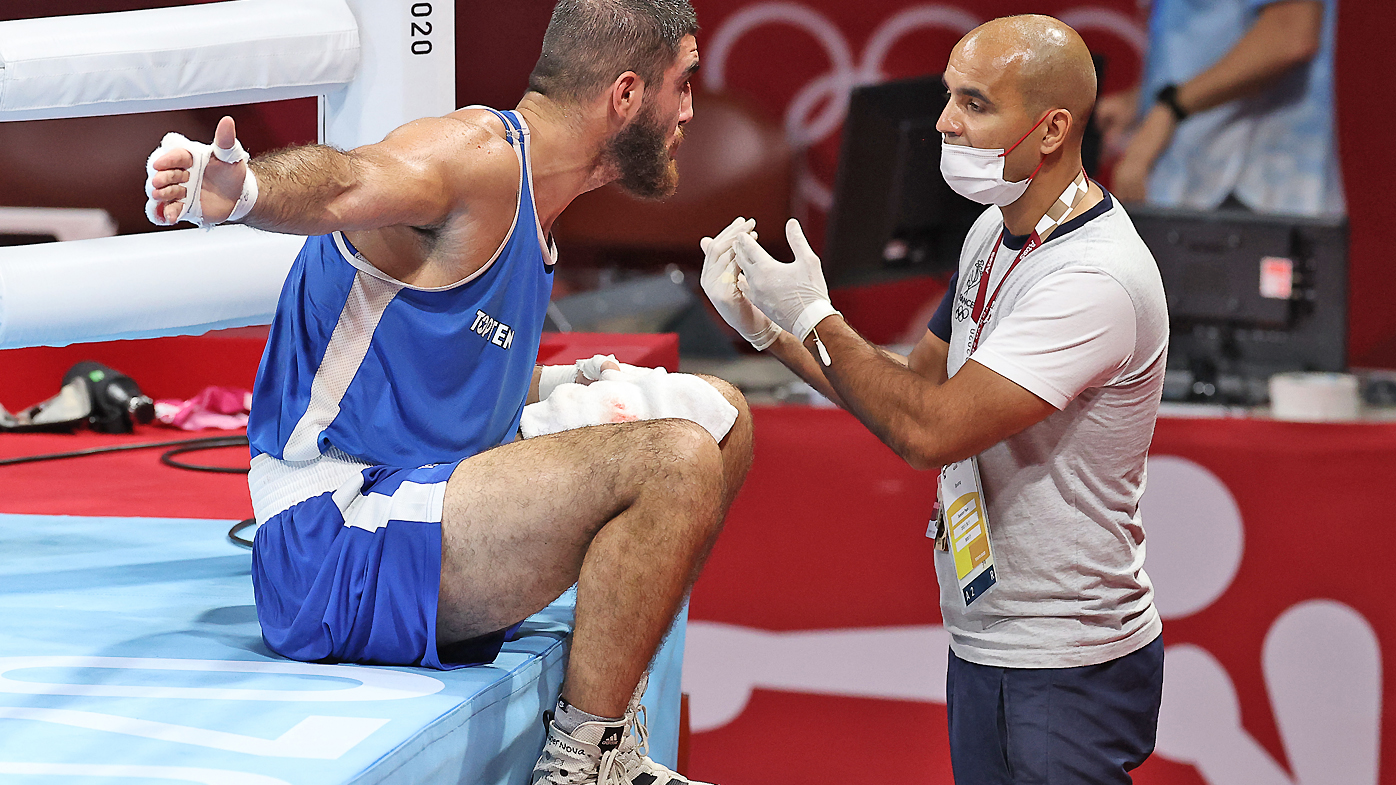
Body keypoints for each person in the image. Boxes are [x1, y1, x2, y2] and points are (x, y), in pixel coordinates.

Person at [144, 2, 747, 784]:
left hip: (421, 500)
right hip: (332, 532)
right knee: (673, 461)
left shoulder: (542, 201)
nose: (692, 112)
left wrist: (558, 384)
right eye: (684, 84)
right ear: (626, 96)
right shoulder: (478, 158)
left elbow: (439, 370)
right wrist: (247, 187)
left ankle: (610, 729)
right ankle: (580, 764)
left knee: (720, 413)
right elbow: (350, 180)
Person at [701, 15, 1167, 784]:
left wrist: (816, 316)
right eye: (950, 95)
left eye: (975, 103)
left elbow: (930, 430)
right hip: (989, 639)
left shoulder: (1095, 278)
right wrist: (773, 334)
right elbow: (913, 390)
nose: (945, 120)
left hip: (1065, 658)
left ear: (1051, 130)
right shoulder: (992, 231)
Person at [1097, 0, 1341, 216]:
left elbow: (1291, 31)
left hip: (1254, 198)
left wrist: (1170, 109)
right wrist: (1142, 101)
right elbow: (1208, 39)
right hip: (1194, 194)